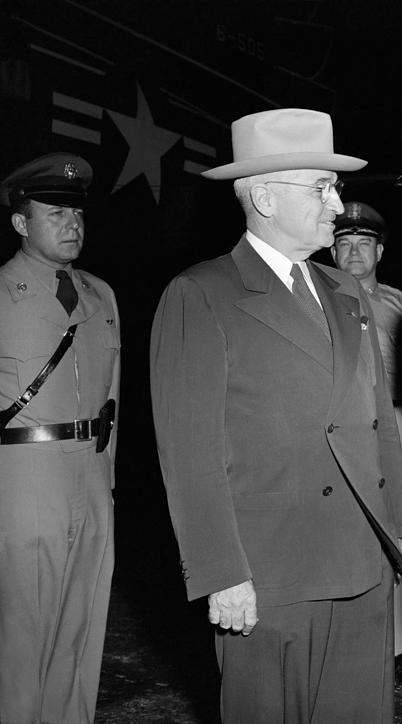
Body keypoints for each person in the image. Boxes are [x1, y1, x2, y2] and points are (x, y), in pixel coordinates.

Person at [150, 109, 402, 724]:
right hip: (268, 575)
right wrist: (221, 572)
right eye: (321, 187)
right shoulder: (203, 293)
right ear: (264, 197)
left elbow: (373, 421)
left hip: (361, 563)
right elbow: (189, 453)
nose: (338, 203)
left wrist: (392, 539)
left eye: (336, 186)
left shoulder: (346, 293)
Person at [0, 153, 119, 723]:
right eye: (55, 212)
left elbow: (112, 400)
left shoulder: (103, 295)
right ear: (21, 223)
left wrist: (109, 481)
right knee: (21, 630)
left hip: (91, 477)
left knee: (81, 622)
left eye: (77, 213)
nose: (72, 223)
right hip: (22, 478)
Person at [330, 200, 402, 656]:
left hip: (393, 422)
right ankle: (348, 641)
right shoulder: (317, 299)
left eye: (365, 244)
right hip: (337, 427)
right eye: (345, 244)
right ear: (332, 251)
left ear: (380, 252)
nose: (355, 253)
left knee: (396, 529)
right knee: (340, 527)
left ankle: (398, 644)